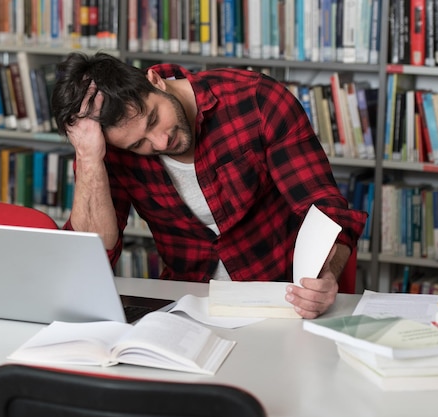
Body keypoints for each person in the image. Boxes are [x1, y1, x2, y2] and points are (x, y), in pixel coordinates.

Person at [51, 52, 368, 319]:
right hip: (186, 307)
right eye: (139, 145)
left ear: (155, 81)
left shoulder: (256, 100)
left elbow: (326, 210)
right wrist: (89, 158)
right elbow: (93, 254)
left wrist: (326, 274)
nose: (161, 141)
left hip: (281, 301)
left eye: (153, 119)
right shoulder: (108, 149)